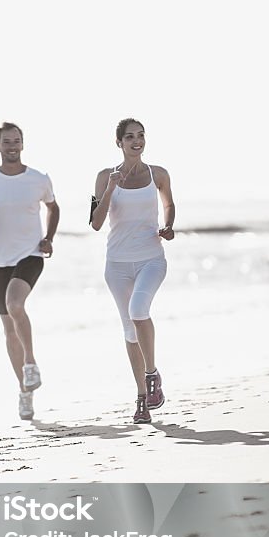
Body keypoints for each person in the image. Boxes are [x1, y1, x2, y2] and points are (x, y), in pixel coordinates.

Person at [0, 122, 59, 420]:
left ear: (22, 144)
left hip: (30, 255)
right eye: (6, 142)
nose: (12, 146)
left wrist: (49, 238)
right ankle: (25, 392)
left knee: (15, 304)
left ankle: (31, 363)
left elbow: (53, 208)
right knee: (9, 330)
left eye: (16, 141)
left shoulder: (38, 179)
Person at [90, 118, 175, 424]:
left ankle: (152, 375)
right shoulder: (103, 177)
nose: (136, 141)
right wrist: (111, 188)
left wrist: (169, 226)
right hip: (117, 265)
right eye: (129, 137)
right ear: (119, 143)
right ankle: (143, 398)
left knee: (139, 310)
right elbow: (95, 223)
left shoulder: (159, 173)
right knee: (129, 329)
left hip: (151, 258)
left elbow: (168, 206)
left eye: (140, 136)